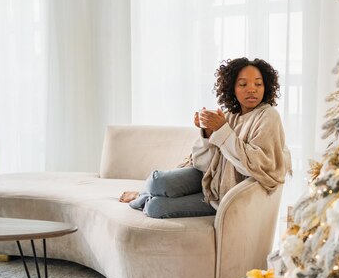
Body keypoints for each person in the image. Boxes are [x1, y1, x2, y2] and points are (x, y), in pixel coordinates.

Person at [119, 57, 291, 218]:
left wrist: (222, 129)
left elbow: (256, 166)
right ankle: (144, 193)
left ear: (266, 87)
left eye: (258, 84)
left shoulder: (268, 116)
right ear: (232, 88)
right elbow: (204, 164)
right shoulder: (230, 115)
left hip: (226, 193)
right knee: (158, 181)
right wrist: (207, 133)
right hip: (209, 177)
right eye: (243, 84)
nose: (252, 89)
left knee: (155, 207)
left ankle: (141, 197)